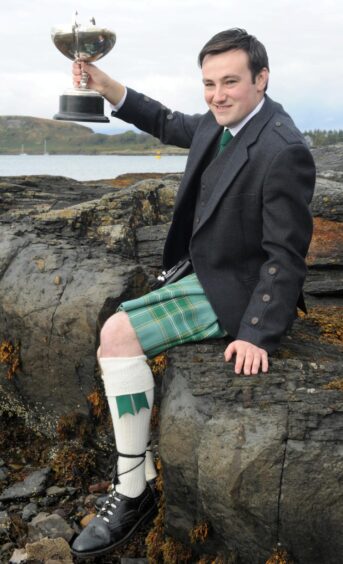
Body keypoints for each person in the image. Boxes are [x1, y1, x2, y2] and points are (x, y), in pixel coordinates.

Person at [70, 28, 316, 558]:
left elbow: (286, 256)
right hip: (200, 269)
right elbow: (164, 121)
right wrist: (102, 82)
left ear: (262, 79)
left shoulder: (283, 149)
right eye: (208, 83)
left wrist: (256, 333)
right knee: (114, 325)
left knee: (116, 335)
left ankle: (132, 489)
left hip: (237, 289)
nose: (217, 94)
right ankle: (140, 469)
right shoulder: (220, 121)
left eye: (230, 81)